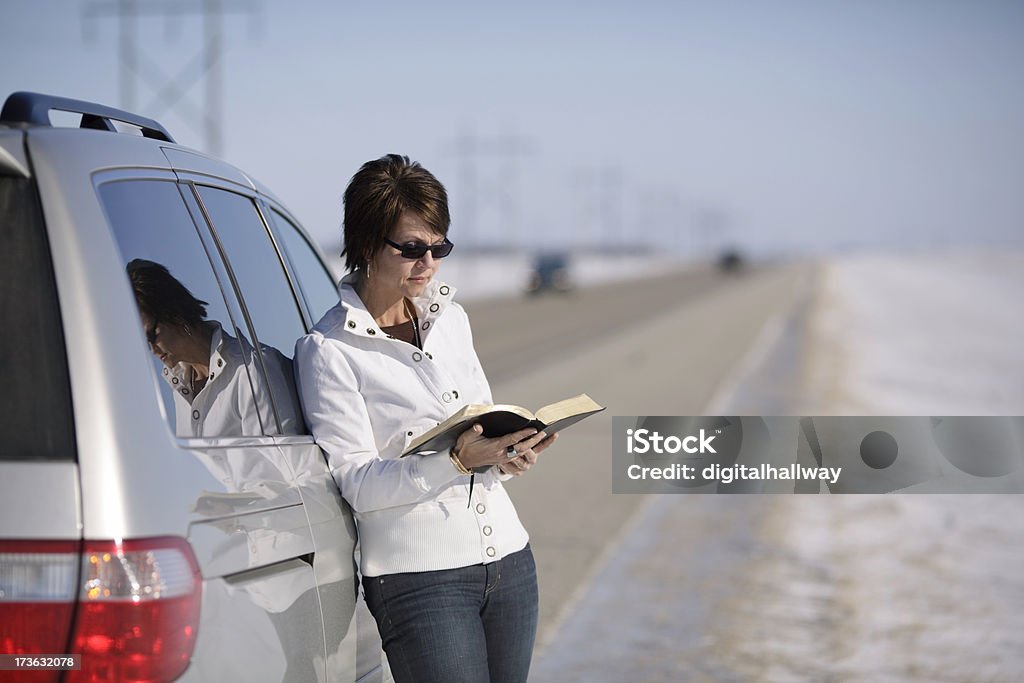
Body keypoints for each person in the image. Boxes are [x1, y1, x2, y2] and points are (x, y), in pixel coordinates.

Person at [294, 154, 556, 683]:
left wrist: (508, 455)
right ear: (366, 245)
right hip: (420, 579)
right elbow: (357, 484)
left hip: (508, 559)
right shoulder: (329, 351)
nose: (429, 263)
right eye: (412, 248)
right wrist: (455, 462)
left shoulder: (451, 319)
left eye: (440, 247)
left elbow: (479, 422)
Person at [128, 259, 301, 438]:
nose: (152, 350)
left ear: (175, 314)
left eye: (152, 336)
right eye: (144, 343)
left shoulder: (251, 370)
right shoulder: (180, 386)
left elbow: (285, 463)